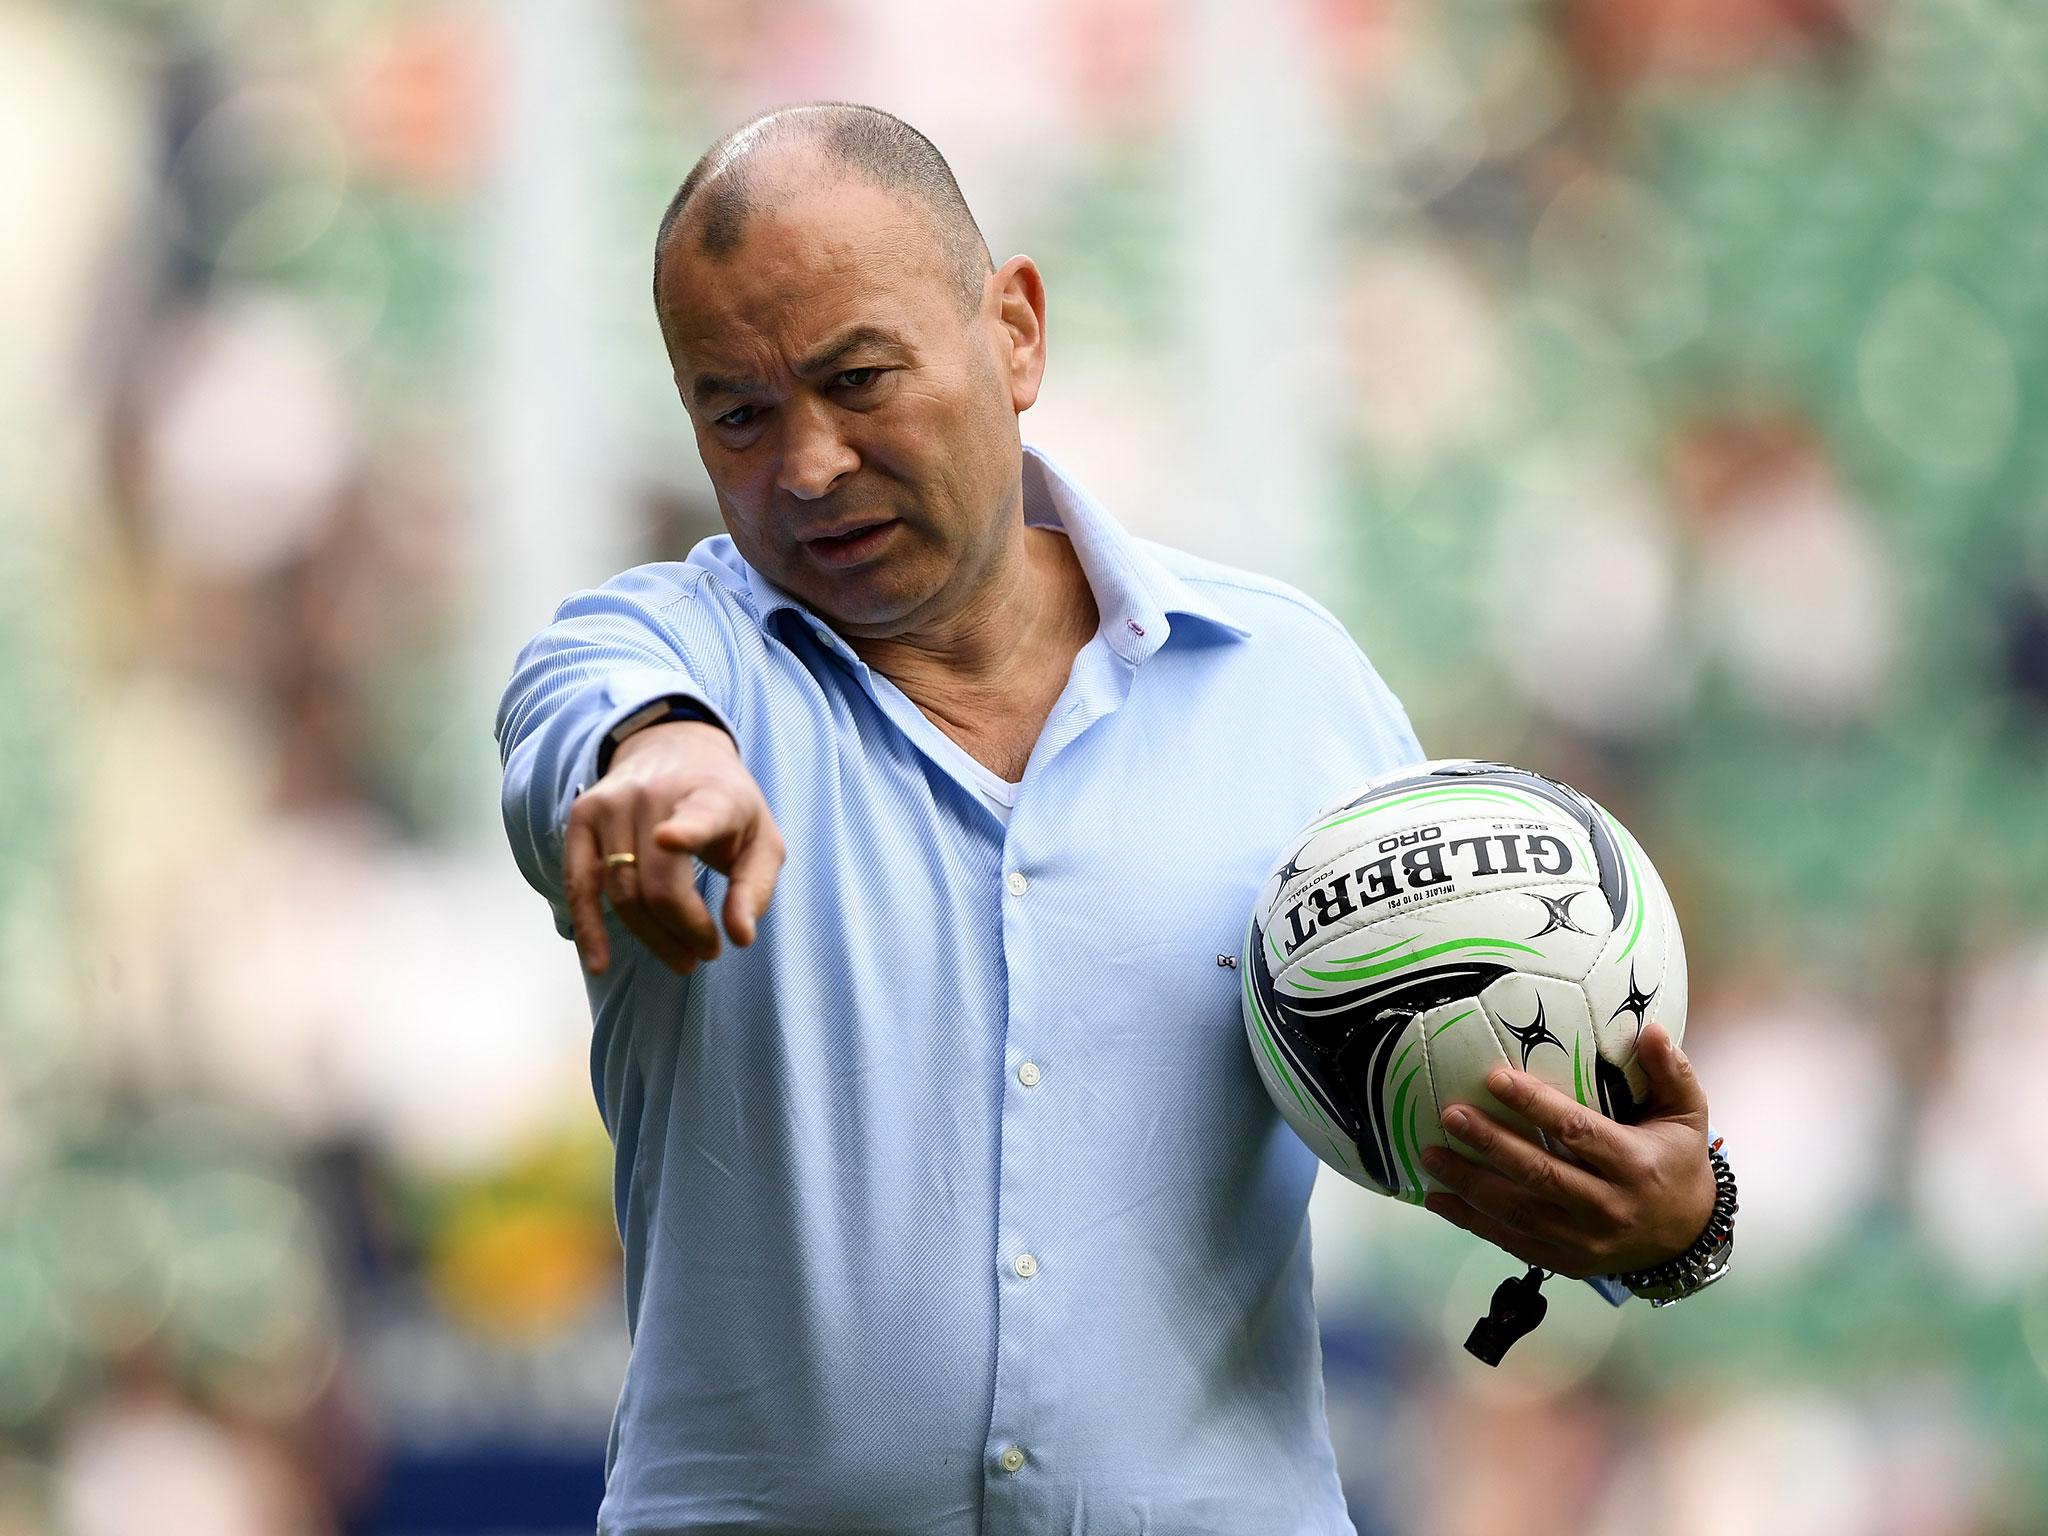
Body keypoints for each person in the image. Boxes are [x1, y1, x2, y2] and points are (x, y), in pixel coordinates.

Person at [495, 102, 1724, 1535]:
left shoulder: (1286, 685)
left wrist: (1673, 1225)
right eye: (738, 414)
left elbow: (1493, 1081)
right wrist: (660, 759)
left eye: (858, 378)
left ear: (1015, 333)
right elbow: (584, 714)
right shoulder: (653, 659)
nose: (810, 463)